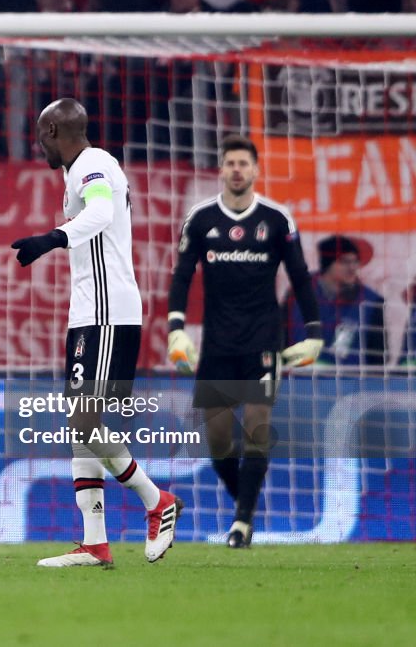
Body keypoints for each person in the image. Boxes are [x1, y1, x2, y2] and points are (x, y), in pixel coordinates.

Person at [10, 98, 182, 567]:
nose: (37, 145)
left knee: (84, 422)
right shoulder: (83, 168)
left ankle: (156, 501)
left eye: (38, 135)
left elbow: (102, 213)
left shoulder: (93, 163)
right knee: (81, 429)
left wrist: (51, 237)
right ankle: (94, 543)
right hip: (90, 312)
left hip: (106, 314)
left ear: (50, 130)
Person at [167, 134, 324, 549]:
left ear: (255, 170)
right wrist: (176, 327)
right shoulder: (200, 220)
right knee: (218, 440)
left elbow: (301, 277)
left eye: (244, 163)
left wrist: (315, 332)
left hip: (263, 341)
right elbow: (182, 274)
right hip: (217, 343)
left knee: (257, 429)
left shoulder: (277, 219)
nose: (237, 170)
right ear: (221, 169)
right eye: (230, 163)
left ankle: (241, 522)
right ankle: (246, 503)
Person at [282, 234, 386, 367]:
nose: (352, 267)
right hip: (298, 380)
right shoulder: (299, 292)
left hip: (350, 384)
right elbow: (281, 337)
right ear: (328, 264)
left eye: (355, 261)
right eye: (344, 261)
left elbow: (377, 359)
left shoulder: (371, 302)